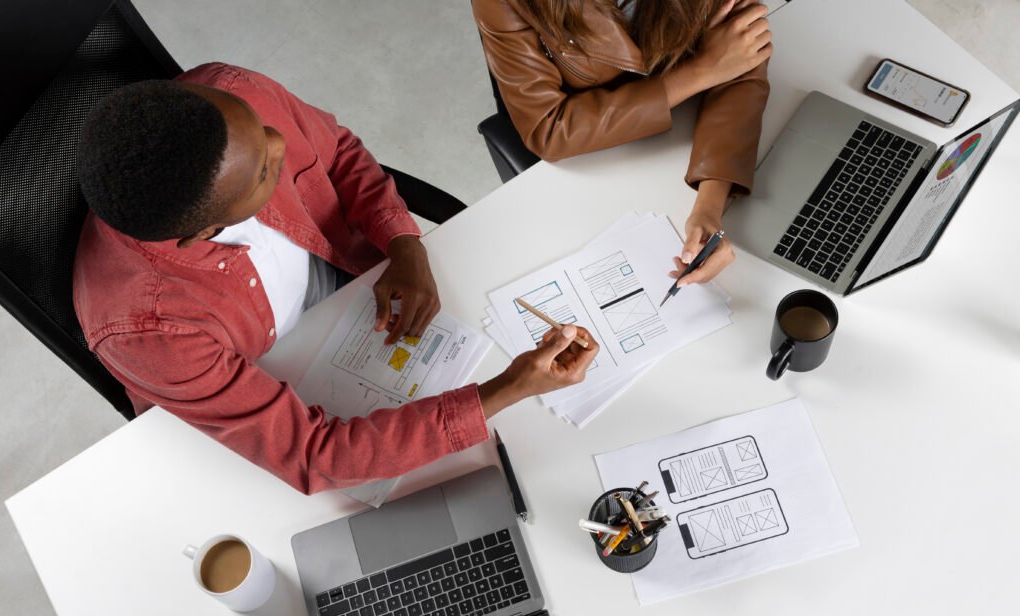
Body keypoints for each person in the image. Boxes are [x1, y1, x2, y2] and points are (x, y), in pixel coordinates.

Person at [73, 62, 598, 495]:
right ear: (204, 231)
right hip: (260, 380)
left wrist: (403, 244)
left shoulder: (231, 92)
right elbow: (314, 456)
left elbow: (339, 153)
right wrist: (509, 388)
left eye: (261, 130)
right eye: (263, 173)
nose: (277, 143)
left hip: (343, 278)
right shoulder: (148, 330)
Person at [472, 0, 772, 286]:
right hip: (592, 164)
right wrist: (700, 71)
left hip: (671, 144)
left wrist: (709, 205)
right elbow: (549, 127)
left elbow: (741, 54)